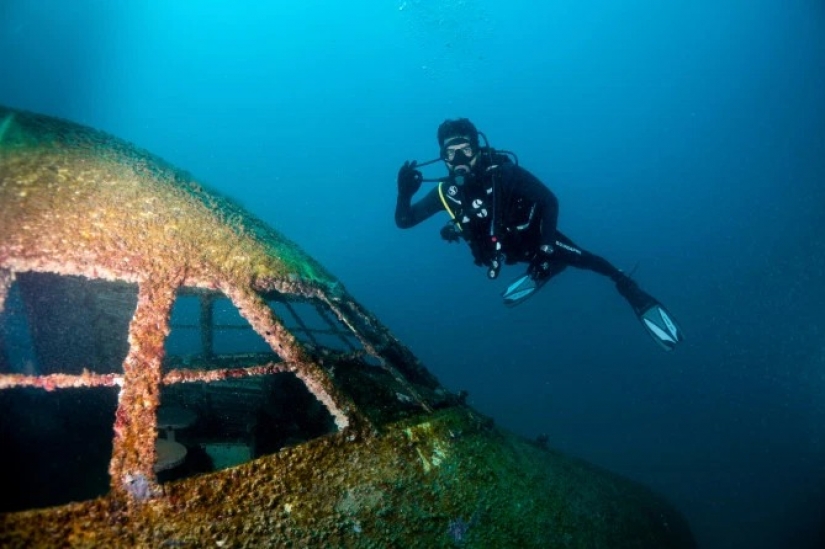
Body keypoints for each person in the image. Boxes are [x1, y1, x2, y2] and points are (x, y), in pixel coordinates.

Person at [395, 118, 683, 351]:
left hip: (538, 240)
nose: (459, 158)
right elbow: (405, 221)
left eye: (466, 150)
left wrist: (545, 252)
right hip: (507, 252)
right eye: (450, 153)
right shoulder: (447, 193)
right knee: (539, 260)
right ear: (442, 158)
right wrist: (403, 194)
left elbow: (550, 201)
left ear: (478, 149)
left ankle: (629, 288)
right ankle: (552, 267)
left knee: (591, 261)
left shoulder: (505, 174)